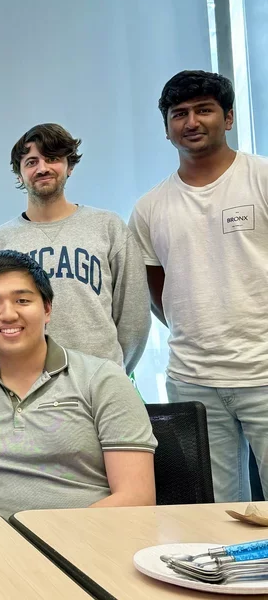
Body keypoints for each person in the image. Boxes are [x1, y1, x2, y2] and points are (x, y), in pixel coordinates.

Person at [0, 251, 157, 519]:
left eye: (22, 300)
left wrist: (52, 533)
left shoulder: (103, 378)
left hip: (88, 539)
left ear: (47, 309)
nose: (8, 314)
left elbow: (136, 496)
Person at [129, 70, 268, 502]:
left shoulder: (261, 178)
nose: (191, 122)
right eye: (179, 113)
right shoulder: (150, 206)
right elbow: (157, 289)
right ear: (167, 127)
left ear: (228, 118)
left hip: (264, 371)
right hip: (192, 378)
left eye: (204, 110)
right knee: (218, 513)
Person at [0, 123, 150, 372]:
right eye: (31, 162)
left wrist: (113, 372)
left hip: (100, 379)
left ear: (69, 166)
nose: (42, 168)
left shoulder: (108, 226)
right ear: (19, 174)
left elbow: (134, 316)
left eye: (52, 158)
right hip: (28, 381)